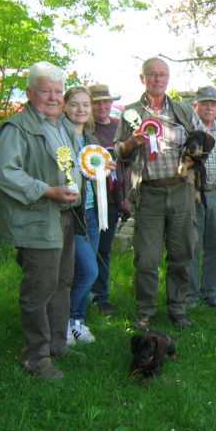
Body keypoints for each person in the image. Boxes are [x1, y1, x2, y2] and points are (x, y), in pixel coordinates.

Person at [0, 61, 83, 379]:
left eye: (58, 91)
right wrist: (47, 191)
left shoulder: (62, 125)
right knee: (39, 288)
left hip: (65, 216)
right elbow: (5, 173)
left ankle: (57, 345)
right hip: (38, 218)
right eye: (46, 90)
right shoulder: (16, 128)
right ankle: (35, 357)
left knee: (62, 283)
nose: (53, 97)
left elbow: (69, 166)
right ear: (31, 92)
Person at [114, 57, 205, 330]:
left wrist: (193, 157)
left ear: (168, 79)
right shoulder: (131, 113)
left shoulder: (183, 110)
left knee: (181, 254)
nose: (157, 79)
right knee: (147, 258)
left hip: (181, 191)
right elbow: (118, 151)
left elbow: (203, 141)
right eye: (151, 75)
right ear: (143, 79)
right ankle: (145, 311)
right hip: (148, 194)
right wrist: (131, 142)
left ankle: (177, 309)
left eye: (162, 75)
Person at [63, 86, 113, 344]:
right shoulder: (60, 137)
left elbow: (95, 171)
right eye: (75, 104)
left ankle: (77, 322)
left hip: (93, 213)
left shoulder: (91, 139)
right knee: (88, 272)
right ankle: (63, 320)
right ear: (64, 106)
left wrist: (105, 167)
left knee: (84, 270)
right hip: (72, 214)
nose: (80, 109)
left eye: (85, 104)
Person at [186, 86, 216, 308]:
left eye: (213, 104)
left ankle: (210, 292)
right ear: (195, 105)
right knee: (192, 244)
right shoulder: (186, 130)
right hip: (192, 194)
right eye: (204, 103)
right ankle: (191, 294)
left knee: (215, 244)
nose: (208, 107)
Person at [88, 83, 131, 316]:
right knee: (84, 251)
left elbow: (126, 166)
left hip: (112, 199)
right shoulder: (84, 129)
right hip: (87, 200)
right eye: (97, 102)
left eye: (106, 101)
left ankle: (100, 296)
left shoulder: (118, 128)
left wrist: (126, 198)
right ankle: (77, 295)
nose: (102, 106)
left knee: (103, 250)